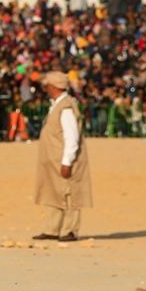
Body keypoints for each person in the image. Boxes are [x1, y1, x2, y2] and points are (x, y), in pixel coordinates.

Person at [32, 70, 92, 242]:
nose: (45, 89)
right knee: (52, 192)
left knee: (69, 193)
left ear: (53, 87)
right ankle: (52, 229)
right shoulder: (57, 104)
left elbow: (71, 137)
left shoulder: (65, 107)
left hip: (63, 159)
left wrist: (67, 161)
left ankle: (70, 230)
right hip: (53, 160)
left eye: (47, 85)